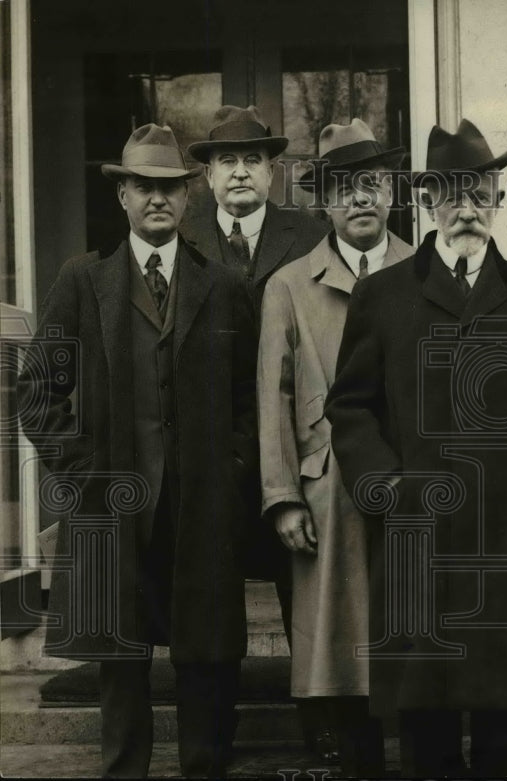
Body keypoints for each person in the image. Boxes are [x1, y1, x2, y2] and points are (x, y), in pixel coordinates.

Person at [326, 119, 507, 777]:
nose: (466, 207)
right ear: (429, 202)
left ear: (496, 199)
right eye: (451, 193)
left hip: (503, 552)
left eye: (479, 191)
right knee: (424, 728)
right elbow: (350, 408)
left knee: (500, 733)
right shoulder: (383, 297)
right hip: (417, 545)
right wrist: (388, 488)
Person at [17, 124, 256, 778]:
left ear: (188, 198)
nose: (158, 199)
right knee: (121, 666)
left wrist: (232, 471)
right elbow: (37, 389)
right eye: (143, 186)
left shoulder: (223, 283)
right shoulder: (83, 280)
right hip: (113, 509)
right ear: (122, 194)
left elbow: (250, 398)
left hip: (200, 509)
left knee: (207, 661)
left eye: (170, 188)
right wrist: (83, 471)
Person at [256, 118, 412, 771]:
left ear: (393, 190)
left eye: (372, 183)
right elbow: (275, 397)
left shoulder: (420, 269)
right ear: (324, 200)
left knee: (409, 634)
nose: (360, 199)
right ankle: (345, 759)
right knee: (332, 645)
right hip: (325, 492)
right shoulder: (289, 285)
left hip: (410, 488)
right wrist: (283, 496)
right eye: (343, 187)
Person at [180, 104, 329, 749]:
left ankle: (326, 734)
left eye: (252, 161)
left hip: (293, 450)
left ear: (272, 172)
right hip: (210, 454)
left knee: (308, 596)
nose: (239, 173)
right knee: (209, 606)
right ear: (207, 176)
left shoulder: (312, 233)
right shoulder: (177, 235)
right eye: (226, 162)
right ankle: (211, 742)